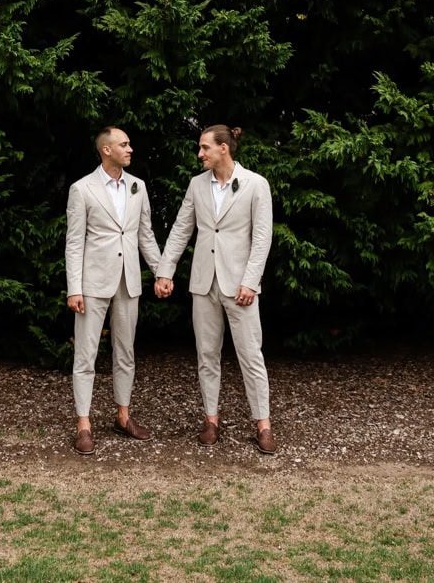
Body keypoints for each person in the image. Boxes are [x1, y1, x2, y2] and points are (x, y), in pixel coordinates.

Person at [154, 123, 276, 453]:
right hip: (203, 283)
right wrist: (165, 271)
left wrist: (251, 281)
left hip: (240, 286)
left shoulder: (255, 185)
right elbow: (181, 230)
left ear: (223, 148)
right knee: (207, 354)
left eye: (204, 147)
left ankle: (262, 424)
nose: (200, 153)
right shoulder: (196, 185)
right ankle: (211, 419)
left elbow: (262, 239)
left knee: (251, 355)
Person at [64, 125, 166, 453]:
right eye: (124, 144)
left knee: (126, 353)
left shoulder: (138, 186)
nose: (130, 149)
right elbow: (74, 242)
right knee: (86, 354)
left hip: (129, 281)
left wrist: (162, 272)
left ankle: (123, 416)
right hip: (92, 283)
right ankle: (83, 424)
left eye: (130, 144)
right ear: (106, 150)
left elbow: (144, 236)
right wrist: (73, 288)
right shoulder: (82, 189)